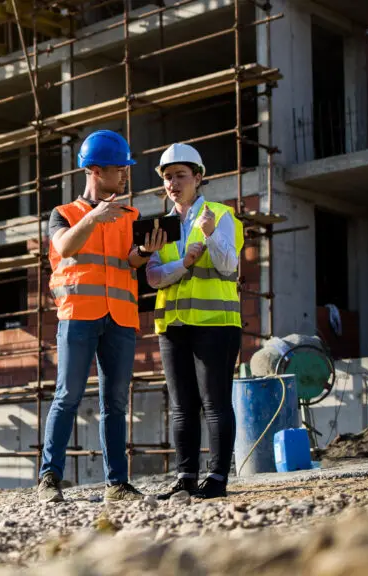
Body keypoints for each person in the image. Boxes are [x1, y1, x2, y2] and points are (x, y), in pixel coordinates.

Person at [37, 130, 167, 503]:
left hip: (121, 317)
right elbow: (65, 246)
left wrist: (144, 250)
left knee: (115, 402)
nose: (125, 175)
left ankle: (117, 484)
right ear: (94, 170)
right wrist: (94, 218)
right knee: (68, 395)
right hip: (79, 314)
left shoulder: (131, 214)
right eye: (118, 168)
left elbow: (131, 261)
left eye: (126, 168)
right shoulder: (63, 214)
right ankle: (50, 478)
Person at [146, 143, 244, 500]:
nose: (173, 183)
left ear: (198, 178)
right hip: (172, 325)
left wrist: (211, 232)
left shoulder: (221, 214)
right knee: (181, 404)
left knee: (215, 402)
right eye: (168, 177)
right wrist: (183, 264)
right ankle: (185, 478)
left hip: (216, 322)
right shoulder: (161, 226)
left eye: (180, 176)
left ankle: (217, 479)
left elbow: (229, 265)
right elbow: (154, 277)